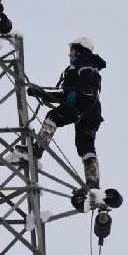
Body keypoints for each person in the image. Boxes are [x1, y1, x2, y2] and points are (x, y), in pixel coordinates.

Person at [16, 36, 107, 189]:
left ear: (80, 51)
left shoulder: (85, 62)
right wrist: (42, 94)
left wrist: (76, 91)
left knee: (52, 117)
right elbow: (65, 97)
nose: (69, 54)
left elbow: (85, 78)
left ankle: (37, 150)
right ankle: (93, 183)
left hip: (82, 104)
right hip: (91, 112)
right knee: (85, 146)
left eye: (71, 50)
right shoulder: (86, 67)